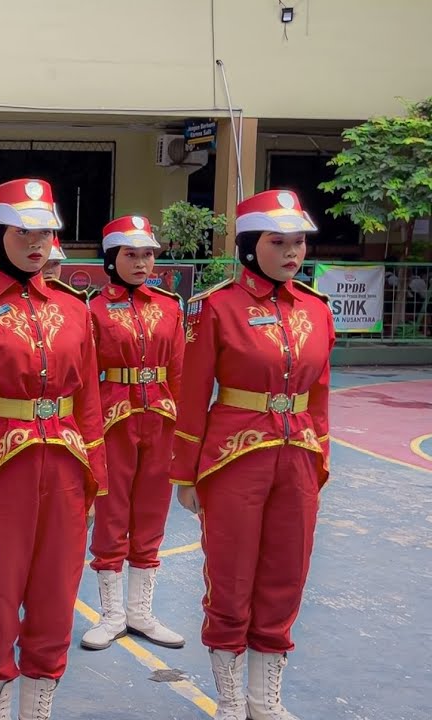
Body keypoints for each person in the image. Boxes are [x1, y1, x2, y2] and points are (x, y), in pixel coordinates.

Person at [0, 179, 107, 720]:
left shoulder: (75, 309)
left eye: (45, 233)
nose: (36, 243)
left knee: (56, 600)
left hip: (66, 468)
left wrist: (96, 480)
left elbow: (90, 401)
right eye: (23, 232)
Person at [170, 190, 334, 720]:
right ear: (248, 246)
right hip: (233, 458)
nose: (292, 252)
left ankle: (265, 699)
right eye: (278, 242)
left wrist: (320, 457)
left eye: (298, 242)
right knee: (231, 577)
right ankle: (230, 699)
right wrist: (186, 473)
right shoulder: (217, 307)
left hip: (298, 455)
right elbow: (193, 393)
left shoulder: (316, 309)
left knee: (287, 575)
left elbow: (320, 394)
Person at [81, 216, 186, 653]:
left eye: (147, 254)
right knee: (112, 514)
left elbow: (179, 370)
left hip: (160, 417)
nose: (142, 262)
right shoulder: (91, 309)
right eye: (131, 254)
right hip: (112, 420)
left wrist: (183, 430)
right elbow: (85, 376)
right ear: (111, 258)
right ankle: (111, 615)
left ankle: (140, 612)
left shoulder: (170, 306)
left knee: (152, 513)